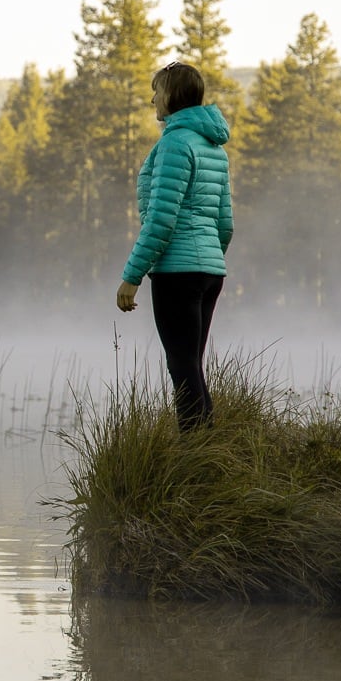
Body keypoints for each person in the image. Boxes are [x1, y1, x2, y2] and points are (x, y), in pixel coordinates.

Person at [115, 62, 233, 433]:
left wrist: (131, 276)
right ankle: (205, 457)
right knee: (191, 365)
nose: (152, 98)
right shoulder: (215, 148)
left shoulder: (174, 144)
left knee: (182, 368)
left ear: (172, 95)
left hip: (177, 272)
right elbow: (225, 224)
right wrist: (208, 260)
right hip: (209, 271)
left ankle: (195, 461)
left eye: (157, 90)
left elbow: (161, 219)